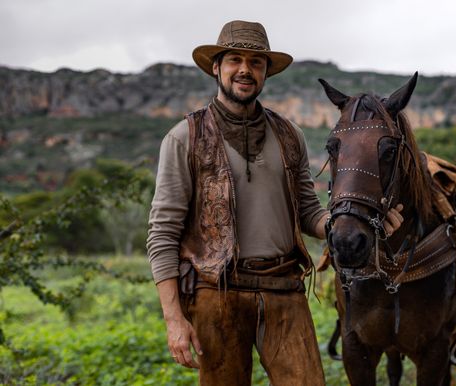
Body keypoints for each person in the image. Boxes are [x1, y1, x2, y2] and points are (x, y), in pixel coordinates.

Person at [146, 20, 404, 385]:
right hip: (216, 294)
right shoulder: (183, 137)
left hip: (283, 288)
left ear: (266, 72)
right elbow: (162, 234)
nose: (245, 70)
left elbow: (308, 211)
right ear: (216, 67)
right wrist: (174, 319)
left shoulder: (288, 134)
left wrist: (351, 223)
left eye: (256, 62)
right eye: (235, 59)